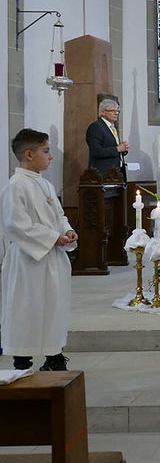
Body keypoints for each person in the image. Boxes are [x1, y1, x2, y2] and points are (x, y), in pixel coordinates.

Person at [0, 129, 78, 371]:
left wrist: (66, 231)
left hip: (50, 259)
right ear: (29, 154)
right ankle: (21, 362)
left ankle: (53, 357)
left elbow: (58, 215)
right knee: (26, 309)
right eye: (46, 151)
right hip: (27, 261)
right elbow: (15, 225)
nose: (51, 157)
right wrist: (52, 238)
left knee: (52, 307)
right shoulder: (16, 186)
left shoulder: (43, 183)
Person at [86, 98, 130, 178]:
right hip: (102, 174)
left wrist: (123, 149)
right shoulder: (96, 127)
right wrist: (117, 149)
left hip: (115, 173)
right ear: (103, 112)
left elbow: (110, 146)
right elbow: (96, 151)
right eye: (112, 111)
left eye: (117, 111)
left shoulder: (112, 127)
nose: (116, 113)